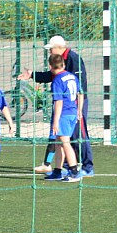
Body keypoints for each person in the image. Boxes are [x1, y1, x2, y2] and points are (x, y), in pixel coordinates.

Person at [20, 35, 93, 177]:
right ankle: (63, 167)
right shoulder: (59, 66)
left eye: (51, 49)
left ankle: (87, 166)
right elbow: (51, 75)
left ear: (60, 47)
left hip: (74, 104)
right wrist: (32, 75)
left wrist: (79, 109)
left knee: (78, 134)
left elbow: (80, 86)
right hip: (65, 106)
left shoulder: (74, 59)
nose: (49, 52)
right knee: (62, 138)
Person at [45, 55, 84, 183]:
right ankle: (57, 171)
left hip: (64, 114)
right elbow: (81, 93)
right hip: (72, 112)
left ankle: (74, 171)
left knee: (65, 142)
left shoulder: (57, 80)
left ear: (50, 66)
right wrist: (79, 110)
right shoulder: (72, 76)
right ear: (63, 64)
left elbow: (59, 102)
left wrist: (55, 121)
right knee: (59, 142)